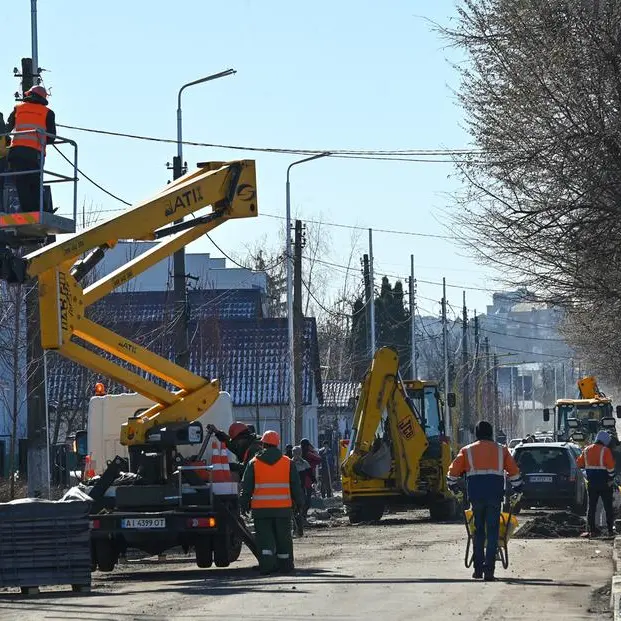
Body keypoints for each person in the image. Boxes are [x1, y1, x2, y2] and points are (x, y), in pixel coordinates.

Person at [447, 420, 523, 582]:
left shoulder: (467, 451)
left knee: (478, 530)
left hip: (476, 496)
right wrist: (518, 490)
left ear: (476, 434)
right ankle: (489, 570)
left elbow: (452, 474)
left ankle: (478, 569)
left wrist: (454, 488)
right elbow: (514, 473)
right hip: (495, 495)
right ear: (491, 433)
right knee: (493, 531)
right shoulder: (501, 451)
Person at [240, 430, 304, 575]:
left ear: (263, 444)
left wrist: (243, 504)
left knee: (265, 539)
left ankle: (268, 566)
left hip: (261, 510)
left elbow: (246, 487)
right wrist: (299, 503)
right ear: (277, 444)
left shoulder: (253, 463)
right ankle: (286, 566)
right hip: (283, 509)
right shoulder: (288, 462)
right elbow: (295, 485)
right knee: (284, 539)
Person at [6, 85, 56, 213]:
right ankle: (39, 210)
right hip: (35, 154)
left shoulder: (18, 109)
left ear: (29, 94)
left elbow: (8, 128)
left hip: (16, 152)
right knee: (34, 183)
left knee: (21, 183)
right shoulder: (48, 113)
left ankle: (29, 211)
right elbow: (51, 138)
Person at [576, 430, 616, 538]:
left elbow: (579, 463)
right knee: (608, 507)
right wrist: (611, 479)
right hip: (605, 484)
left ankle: (592, 531)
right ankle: (610, 531)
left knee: (592, 507)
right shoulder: (606, 450)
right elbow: (611, 468)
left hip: (592, 483)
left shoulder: (586, 450)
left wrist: (587, 472)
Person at [291, 446, 311, 535]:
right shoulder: (289, 463)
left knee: (300, 508)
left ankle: (299, 529)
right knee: (293, 509)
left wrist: (314, 482)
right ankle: (295, 528)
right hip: (291, 489)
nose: (297, 455)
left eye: (298, 453)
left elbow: (310, 474)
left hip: (301, 489)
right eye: (295, 453)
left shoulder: (304, 463)